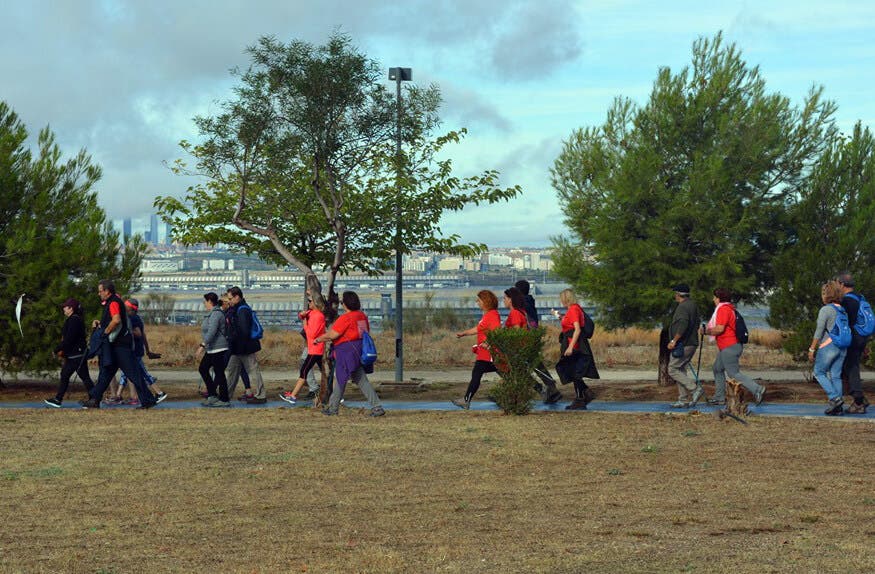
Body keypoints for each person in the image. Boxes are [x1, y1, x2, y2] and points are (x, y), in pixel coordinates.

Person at [80, 280, 156, 409]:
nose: (99, 294)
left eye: (100, 291)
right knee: (105, 374)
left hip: (120, 346)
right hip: (115, 346)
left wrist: (105, 332)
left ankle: (148, 400)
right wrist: (102, 325)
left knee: (133, 373)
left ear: (107, 291)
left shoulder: (114, 302)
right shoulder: (113, 301)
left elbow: (116, 320)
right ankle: (94, 400)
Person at [314, 291, 385, 417]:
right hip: (358, 350)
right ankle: (377, 407)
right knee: (361, 379)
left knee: (341, 379)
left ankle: (333, 408)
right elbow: (365, 332)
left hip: (346, 352)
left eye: (342, 302)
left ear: (345, 304)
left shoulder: (345, 318)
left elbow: (333, 334)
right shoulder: (361, 316)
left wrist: (318, 339)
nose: (341, 304)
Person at [704, 288, 766, 407]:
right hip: (728, 347)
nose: (713, 299)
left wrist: (705, 331)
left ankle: (758, 389)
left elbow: (719, 329)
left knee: (733, 373)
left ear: (719, 298)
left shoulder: (723, 309)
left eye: (714, 297)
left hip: (730, 346)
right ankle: (719, 397)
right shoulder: (728, 308)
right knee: (717, 368)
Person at [452, 290, 502, 409]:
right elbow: (478, 329)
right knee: (499, 371)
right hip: (484, 353)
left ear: (486, 301)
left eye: (479, 300)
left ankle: (466, 400)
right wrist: (464, 333)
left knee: (478, 373)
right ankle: (510, 394)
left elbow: (496, 331)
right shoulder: (487, 315)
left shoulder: (493, 315)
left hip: (489, 353)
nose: (477, 302)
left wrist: (488, 343)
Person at [554, 288, 599, 410]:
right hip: (571, 342)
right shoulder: (573, 309)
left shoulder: (573, 309)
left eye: (562, 299)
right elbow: (570, 324)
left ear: (565, 298)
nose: (561, 302)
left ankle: (581, 397)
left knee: (573, 371)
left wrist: (570, 347)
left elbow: (577, 329)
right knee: (573, 371)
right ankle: (583, 395)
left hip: (574, 344)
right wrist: (560, 317)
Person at [44, 298, 94, 407]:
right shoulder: (73, 319)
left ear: (71, 308)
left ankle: (94, 399)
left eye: (65, 307)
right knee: (68, 375)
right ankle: (58, 399)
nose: (63, 309)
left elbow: (69, 339)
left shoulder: (74, 320)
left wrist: (57, 349)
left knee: (82, 377)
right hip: (74, 355)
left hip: (76, 355)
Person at [809, 281, 848, 416]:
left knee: (819, 372)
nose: (822, 295)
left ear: (827, 295)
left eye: (823, 293)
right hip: (843, 347)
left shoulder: (826, 310)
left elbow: (819, 331)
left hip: (829, 346)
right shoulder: (842, 310)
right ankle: (838, 406)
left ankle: (834, 398)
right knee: (836, 376)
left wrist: (812, 349)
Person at [118, 298, 167, 404]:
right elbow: (143, 335)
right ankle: (119, 395)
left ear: (130, 308)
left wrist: (125, 329)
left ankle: (159, 393)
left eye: (125, 306)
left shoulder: (132, 318)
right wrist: (148, 350)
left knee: (143, 373)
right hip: (136, 349)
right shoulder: (136, 318)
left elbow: (139, 334)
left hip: (135, 350)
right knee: (129, 373)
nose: (123, 307)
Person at [280, 295, 326, 404]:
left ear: (316, 303)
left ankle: (293, 396)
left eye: (310, 301)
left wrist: (305, 324)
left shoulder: (318, 316)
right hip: (312, 348)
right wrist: (302, 315)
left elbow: (312, 334)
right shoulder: (311, 312)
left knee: (304, 371)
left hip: (315, 349)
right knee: (324, 372)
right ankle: (335, 394)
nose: (308, 303)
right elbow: (302, 315)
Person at [225, 286, 267, 403]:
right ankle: (226, 395)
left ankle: (261, 395)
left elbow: (244, 331)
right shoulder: (239, 308)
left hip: (244, 347)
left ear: (237, 297)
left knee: (253, 370)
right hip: (238, 347)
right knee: (233, 371)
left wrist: (236, 344)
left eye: (230, 298)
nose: (229, 301)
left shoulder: (242, 310)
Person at [666, 284, 704, 408]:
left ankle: (694, 389)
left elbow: (683, 323)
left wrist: (674, 341)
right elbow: (697, 322)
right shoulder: (693, 305)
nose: (674, 296)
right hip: (692, 342)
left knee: (672, 369)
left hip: (684, 343)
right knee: (680, 369)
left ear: (679, 294)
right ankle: (683, 399)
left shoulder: (682, 307)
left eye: (675, 294)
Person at [837, 272, 870, 414]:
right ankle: (860, 398)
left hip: (853, 339)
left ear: (842, 284)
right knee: (849, 367)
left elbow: (846, 324)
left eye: (838, 284)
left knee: (851, 368)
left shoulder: (847, 301)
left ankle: (858, 402)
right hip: (862, 337)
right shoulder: (860, 298)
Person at [197, 292, 231, 407]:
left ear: (210, 302)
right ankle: (212, 395)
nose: (204, 304)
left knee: (219, 373)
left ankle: (224, 399)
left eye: (205, 302)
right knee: (203, 368)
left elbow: (212, 331)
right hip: (212, 349)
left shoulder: (216, 314)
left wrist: (202, 345)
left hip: (219, 348)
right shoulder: (212, 314)